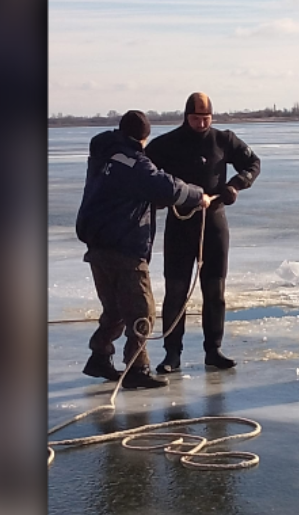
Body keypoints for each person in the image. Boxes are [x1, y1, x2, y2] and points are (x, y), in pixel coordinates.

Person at [76, 110, 212, 389]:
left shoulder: (104, 152)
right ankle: (137, 368)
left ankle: (100, 356)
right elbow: (165, 186)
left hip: (98, 244)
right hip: (124, 246)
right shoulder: (133, 162)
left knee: (114, 309)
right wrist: (199, 196)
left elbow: (132, 190)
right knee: (142, 312)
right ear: (143, 138)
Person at [145, 92, 261, 374]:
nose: (200, 123)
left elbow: (253, 164)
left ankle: (214, 350)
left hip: (214, 223)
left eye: (205, 118)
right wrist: (159, 197)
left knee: (215, 289)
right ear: (186, 116)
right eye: (196, 118)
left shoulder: (224, 140)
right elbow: (145, 171)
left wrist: (235, 185)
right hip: (180, 222)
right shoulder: (168, 143)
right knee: (176, 290)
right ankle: (172, 354)